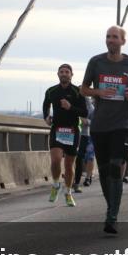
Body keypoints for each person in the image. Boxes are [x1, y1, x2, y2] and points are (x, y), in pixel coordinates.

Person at [80, 26, 128, 234]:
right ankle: (112, 207)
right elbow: (83, 88)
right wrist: (98, 91)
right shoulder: (96, 62)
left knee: (117, 166)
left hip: (122, 123)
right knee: (105, 170)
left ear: (123, 41)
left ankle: (112, 216)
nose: (110, 40)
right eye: (108, 37)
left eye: (114, 37)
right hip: (100, 125)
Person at [42, 64, 88, 207]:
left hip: (73, 131)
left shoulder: (78, 91)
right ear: (58, 74)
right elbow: (46, 105)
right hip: (57, 129)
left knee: (69, 165)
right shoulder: (51, 91)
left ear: (71, 75)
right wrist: (46, 116)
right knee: (55, 160)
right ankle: (56, 184)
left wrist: (70, 107)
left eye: (67, 72)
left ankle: (68, 192)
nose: (64, 74)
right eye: (61, 72)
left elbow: (84, 112)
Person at [73, 96, 96, 193]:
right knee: (78, 157)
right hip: (75, 134)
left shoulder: (90, 107)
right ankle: (75, 180)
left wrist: (86, 121)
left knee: (89, 157)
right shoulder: (74, 104)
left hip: (88, 134)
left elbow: (95, 121)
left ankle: (87, 177)